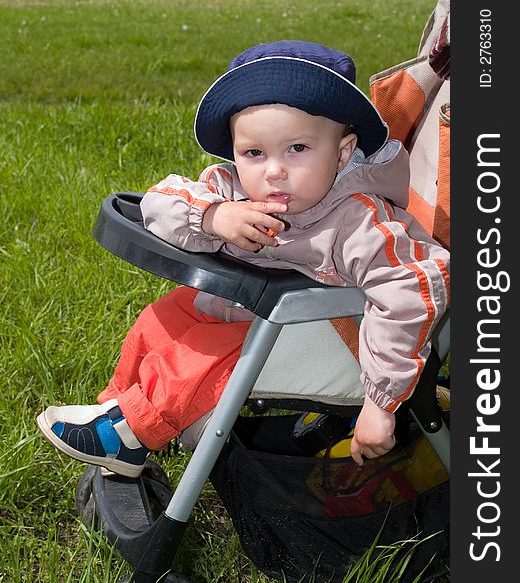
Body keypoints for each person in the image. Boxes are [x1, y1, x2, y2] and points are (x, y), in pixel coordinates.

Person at [37, 40, 450, 475]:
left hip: (320, 338)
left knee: (202, 352)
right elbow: (158, 203)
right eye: (254, 153)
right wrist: (214, 216)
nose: (272, 170)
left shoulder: (357, 220)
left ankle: (134, 429)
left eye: (297, 149)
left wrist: (381, 402)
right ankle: (117, 413)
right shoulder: (232, 189)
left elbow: (414, 283)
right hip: (239, 308)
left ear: (343, 152)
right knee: (162, 317)